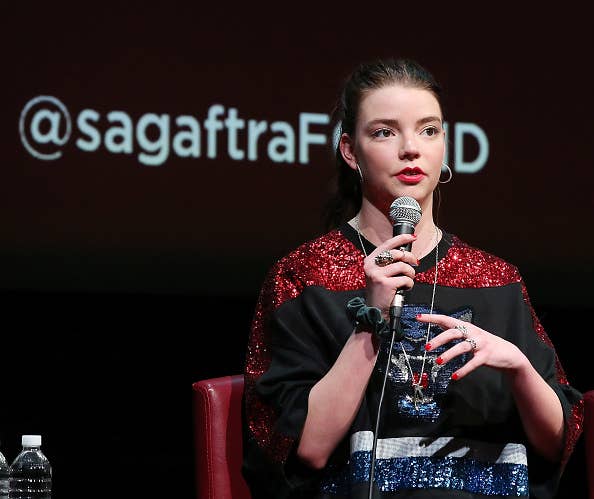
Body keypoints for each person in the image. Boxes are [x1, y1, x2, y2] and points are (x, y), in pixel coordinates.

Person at [241, 58, 583, 498]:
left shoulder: (498, 280)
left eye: (429, 130)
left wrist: (518, 366)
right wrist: (371, 320)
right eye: (385, 132)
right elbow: (305, 447)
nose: (411, 149)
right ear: (350, 151)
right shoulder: (303, 277)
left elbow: (557, 445)